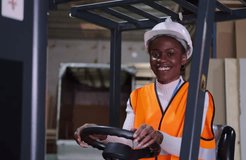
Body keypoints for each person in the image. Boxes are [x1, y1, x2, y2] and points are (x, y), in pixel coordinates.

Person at [74, 17, 216, 160]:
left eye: (170, 53)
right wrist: (102, 134)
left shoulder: (198, 97)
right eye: (155, 54)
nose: (161, 59)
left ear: (184, 58)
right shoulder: (138, 96)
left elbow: (201, 151)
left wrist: (160, 137)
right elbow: (128, 140)